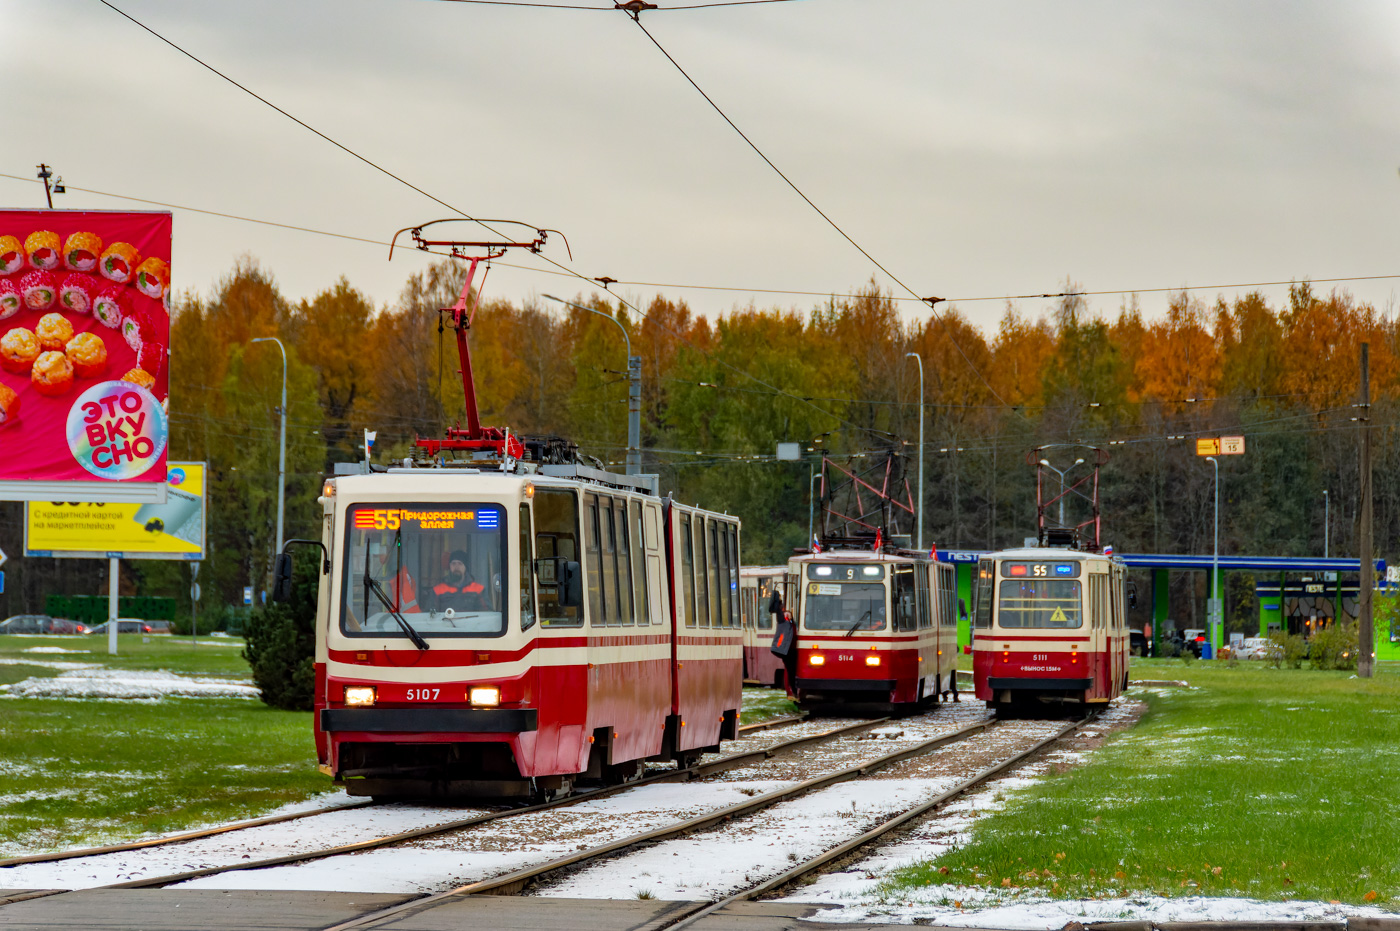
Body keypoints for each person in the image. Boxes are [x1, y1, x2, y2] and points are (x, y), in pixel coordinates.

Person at [768, 588, 798, 694]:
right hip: (786, 650)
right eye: (786, 613)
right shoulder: (782, 622)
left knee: (792, 670)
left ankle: (794, 689)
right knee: (791, 670)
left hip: (792, 650)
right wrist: (777, 598)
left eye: (789, 613)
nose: (787, 614)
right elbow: (777, 611)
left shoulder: (793, 624)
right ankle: (794, 690)